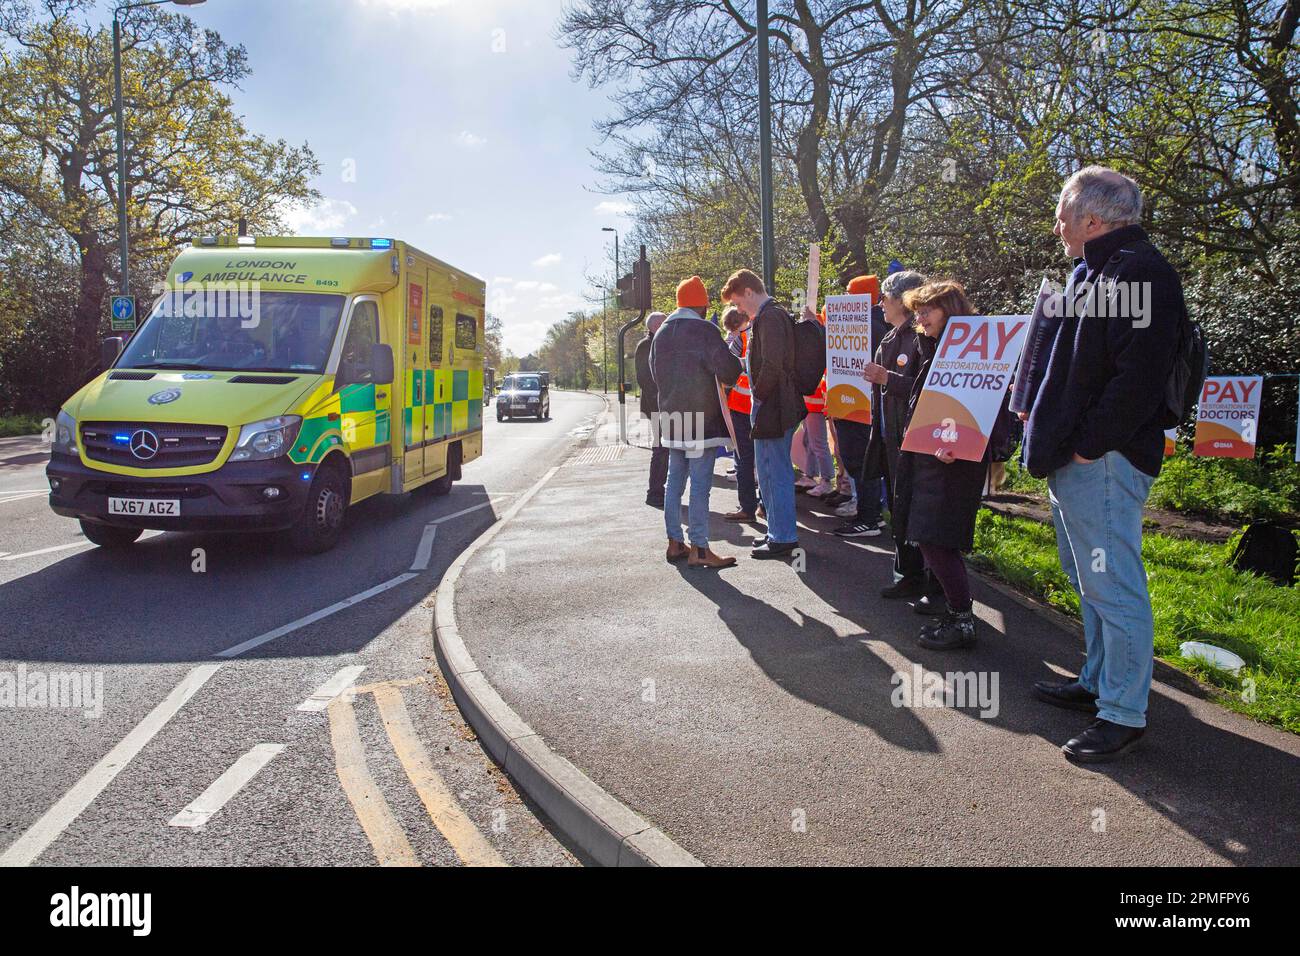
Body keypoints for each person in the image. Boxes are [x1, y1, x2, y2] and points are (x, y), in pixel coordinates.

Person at [1023, 166, 1184, 763]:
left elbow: (1136, 380)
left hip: (1105, 460)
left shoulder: (1140, 272)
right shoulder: (1097, 271)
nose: (1057, 224)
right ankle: (1098, 682)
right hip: (1082, 457)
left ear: (1093, 219)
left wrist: (1089, 444)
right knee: (1090, 581)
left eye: (1063, 213)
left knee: (1112, 586)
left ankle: (1122, 712)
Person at [892, 279, 1010, 651]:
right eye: (917, 312)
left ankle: (961, 619)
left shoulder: (973, 351)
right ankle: (955, 612)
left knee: (937, 539)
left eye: (927, 310)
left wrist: (961, 444)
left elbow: (989, 410)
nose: (920, 318)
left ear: (951, 310)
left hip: (953, 464)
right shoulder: (932, 349)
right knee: (930, 537)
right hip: (928, 459)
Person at [650, 277, 743, 569]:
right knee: (700, 486)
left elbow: (655, 376)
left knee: (673, 482)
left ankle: (675, 542)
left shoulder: (661, 333)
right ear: (702, 306)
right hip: (702, 422)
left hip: (673, 419)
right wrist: (738, 363)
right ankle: (700, 548)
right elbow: (728, 371)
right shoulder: (705, 330)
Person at [721, 269, 807, 559]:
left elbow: (772, 363)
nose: (738, 309)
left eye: (738, 302)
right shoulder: (774, 315)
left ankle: (782, 536)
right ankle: (778, 533)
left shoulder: (769, 317)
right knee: (772, 470)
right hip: (778, 403)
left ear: (748, 291)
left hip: (772, 404)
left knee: (773, 470)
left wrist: (757, 393)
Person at [862, 270, 933, 590]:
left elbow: (926, 388)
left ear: (900, 301)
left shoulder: (920, 338)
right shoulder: (890, 337)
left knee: (913, 507)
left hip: (912, 438)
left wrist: (887, 378)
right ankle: (907, 573)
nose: (880, 305)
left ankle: (926, 578)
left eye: (885, 298)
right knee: (897, 505)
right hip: (890, 437)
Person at [720, 307, 760, 523]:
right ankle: (765, 505)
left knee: (743, 459)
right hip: (761, 407)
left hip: (741, 407)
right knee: (763, 459)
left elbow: (727, 369)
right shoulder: (761, 334)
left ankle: (747, 507)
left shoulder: (741, 340)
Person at [635, 311, 669, 507]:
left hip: (663, 404)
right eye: (665, 322)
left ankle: (659, 492)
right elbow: (645, 379)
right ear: (656, 326)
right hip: (657, 405)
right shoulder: (646, 345)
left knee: (665, 449)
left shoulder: (655, 343)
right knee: (661, 449)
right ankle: (655, 493)